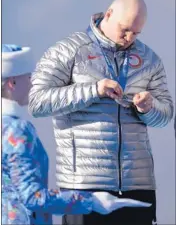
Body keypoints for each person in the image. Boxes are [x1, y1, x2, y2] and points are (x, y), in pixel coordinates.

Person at [28, 0, 173, 225]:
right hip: (84, 187)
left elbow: (165, 115)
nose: (128, 37)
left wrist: (149, 106)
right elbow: (37, 103)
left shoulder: (149, 59)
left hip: (138, 185)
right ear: (108, 14)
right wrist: (93, 90)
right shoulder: (68, 50)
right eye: (124, 29)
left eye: (136, 33)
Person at [2, 44, 151, 225]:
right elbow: (32, 197)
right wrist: (91, 201)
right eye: (29, 76)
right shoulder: (16, 130)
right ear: (12, 83)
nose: (33, 82)